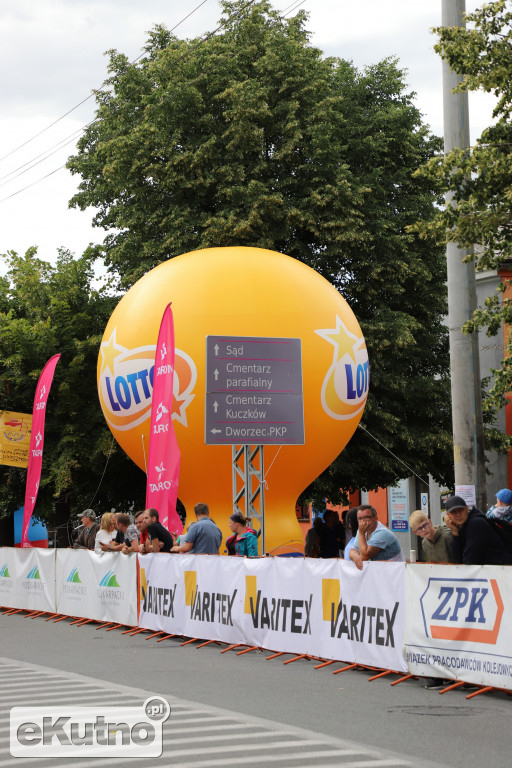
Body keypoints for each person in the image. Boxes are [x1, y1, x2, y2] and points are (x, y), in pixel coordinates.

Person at [444, 495, 512, 565]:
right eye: (453, 512)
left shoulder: (476, 523)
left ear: (467, 509)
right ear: (448, 515)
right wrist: (455, 533)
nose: (458, 515)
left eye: (460, 510)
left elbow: (470, 561)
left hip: (503, 570)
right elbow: (457, 560)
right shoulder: (461, 527)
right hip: (493, 571)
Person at [349, 505, 405, 570]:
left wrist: (361, 534)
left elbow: (365, 556)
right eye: (360, 518)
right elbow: (352, 551)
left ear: (375, 518)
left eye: (367, 517)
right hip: (379, 572)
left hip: (395, 573)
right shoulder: (362, 530)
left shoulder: (382, 533)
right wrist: (356, 557)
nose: (363, 521)